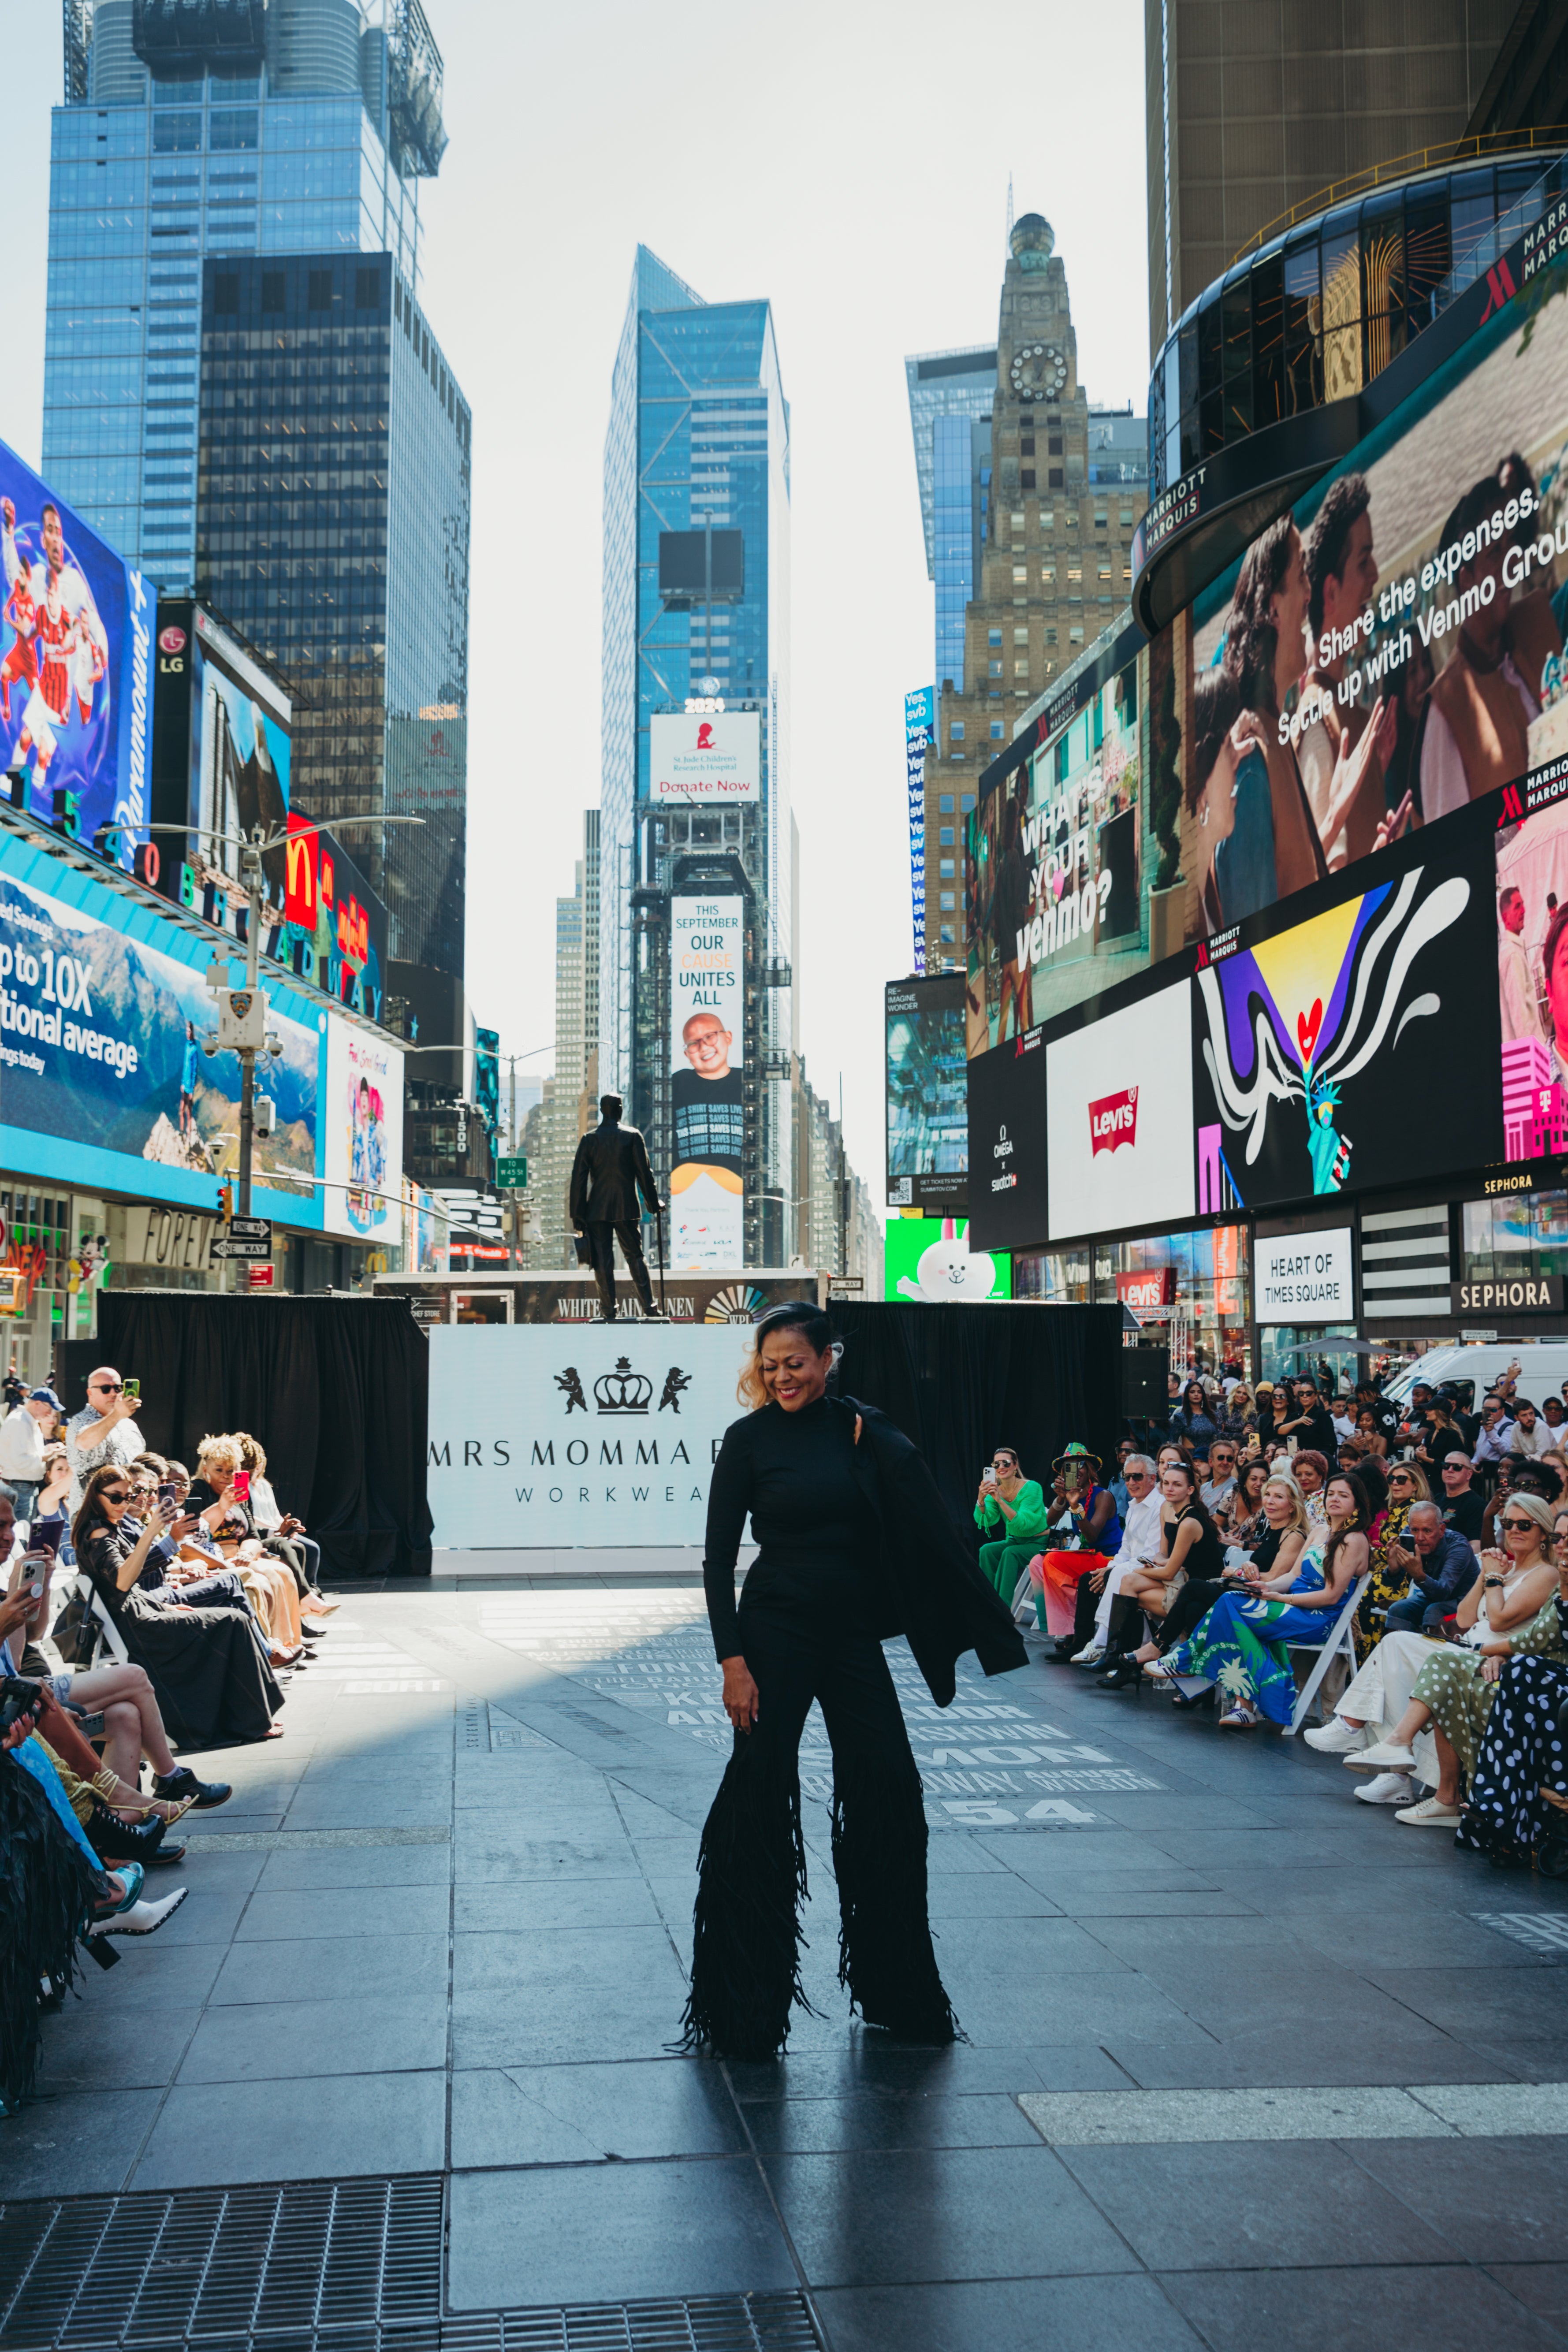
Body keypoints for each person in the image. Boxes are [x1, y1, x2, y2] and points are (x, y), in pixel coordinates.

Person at [680, 1300, 1026, 2058]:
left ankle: (897, 1990)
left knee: (888, 1786)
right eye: (768, 1366)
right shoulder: (747, 1441)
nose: (780, 1378)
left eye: (794, 1363)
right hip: (772, 1633)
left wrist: (878, 1435)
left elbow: (915, 1500)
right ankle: (742, 2009)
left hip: (850, 1637)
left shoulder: (861, 1430)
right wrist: (731, 1662)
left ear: (827, 1358)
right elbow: (715, 1561)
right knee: (759, 1791)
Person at [1348, 1490, 1567, 1824]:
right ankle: (1389, 1758)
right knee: (1395, 1649)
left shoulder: (1546, 1575)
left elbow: (1499, 1621)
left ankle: (1398, 1750)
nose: (1515, 1530)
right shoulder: (1502, 1568)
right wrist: (1486, 1573)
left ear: (1542, 1533)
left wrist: (1493, 1578)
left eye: (1525, 1524)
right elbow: (1465, 1619)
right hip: (1470, 1650)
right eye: (1508, 1523)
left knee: (1436, 1667)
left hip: (1492, 1660)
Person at [72, 1466, 284, 1753]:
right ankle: (250, 1721)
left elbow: (128, 1585)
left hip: (145, 1611)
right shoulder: (98, 1532)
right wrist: (153, 1532)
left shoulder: (107, 1527)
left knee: (233, 1619)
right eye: (116, 1497)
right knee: (232, 1620)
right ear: (95, 1496)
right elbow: (123, 1581)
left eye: (128, 1496)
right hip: (140, 1626)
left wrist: (165, 1605)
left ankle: (252, 1718)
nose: (123, 1503)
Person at [1160, 1469, 1369, 1727]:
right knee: (1233, 1603)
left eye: (1343, 1495)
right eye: (1332, 1494)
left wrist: (1282, 1599)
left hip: (1317, 1619)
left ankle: (1193, 1664)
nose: (1334, 1499)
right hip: (1291, 1607)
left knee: (1229, 1605)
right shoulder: (1320, 1531)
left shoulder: (1355, 1540)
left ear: (1357, 1503)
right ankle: (1243, 1704)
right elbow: (1294, 1575)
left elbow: (1331, 1596)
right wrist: (1265, 1585)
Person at [1421, 476, 1563, 818]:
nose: (1509, 563)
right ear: (1465, 577)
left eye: (1510, 544)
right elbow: (1452, 848)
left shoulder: (1540, 622)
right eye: (1493, 552)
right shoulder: (1447, 709)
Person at [1300, 474, 1410, 866]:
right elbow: (1326, 871)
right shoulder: (1314, 720)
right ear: (1330, 592)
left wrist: (1375, 775)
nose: (1376, 574)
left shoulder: (1344, 712)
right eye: (1363, 562)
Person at [1456, 1506, 1568, 1866]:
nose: (1563, 1546)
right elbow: (1465, 1618)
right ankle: (1498, 1809)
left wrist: (1481, 1650)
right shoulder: (1560, 1581)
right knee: (1521, 1670)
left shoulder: (1550, 1575)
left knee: (1521, 1671)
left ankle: (1499, 1808)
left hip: (1551, 1674)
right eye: (1559, 1538)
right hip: (1545, 1673)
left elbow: (1546, 1634)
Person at [1131, 1472, 1311, 1689]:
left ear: (1292, 1506)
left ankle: (1159, 1645)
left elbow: (1274, 1578)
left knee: (1195, 1586)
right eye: (1268, 1495)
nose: (1270, 1501)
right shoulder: (1270, 1530)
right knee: (1195, 1608)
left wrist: (1237, 1572)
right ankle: (1199, 1687)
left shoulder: (1294, 1536)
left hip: (1264, 1603)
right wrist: (1243, 1570)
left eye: (1279, 1497)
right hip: (1244, 1594)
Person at [1094, 1458, 1225, 1688]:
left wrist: (1151, 1568)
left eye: (1177, 1485)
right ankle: (1120, 1656)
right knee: (1129, 1581)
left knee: (1128, 1583)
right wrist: (1157, 1565)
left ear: (1190, 1490)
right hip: (1179, 1578)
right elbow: (1162, 1555)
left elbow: (1167, 1570)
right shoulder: (1167, 1509)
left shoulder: (1190, 1522)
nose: (1170, 1489)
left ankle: (1125, 1658)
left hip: (1196, 1587)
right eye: (1166, 1483)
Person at [569, 1093, 661, 1322]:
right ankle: (649, 1308)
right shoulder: (632, 1137)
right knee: (635, 1257)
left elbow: (578, 1180)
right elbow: (644, 1175)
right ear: (619, 1109)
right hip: (626, 1207)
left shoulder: (589, 1140)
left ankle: (609, 1311)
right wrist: (653, 1203)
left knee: (602, 1261)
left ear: (602, 1110)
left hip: (596, 1210)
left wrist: (578, 1214)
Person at [1069, 1454, 1162, 1667]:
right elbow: (1126, 1549)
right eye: (1126, 1477)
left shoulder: (1159, 1507)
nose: (1131, 1482)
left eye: (1137, 1477)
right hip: (1127, 1566)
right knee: (1091, 1579)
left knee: (1114, 1575)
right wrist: (1109, 1568)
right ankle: (1082, 1641)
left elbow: (1149, 1555)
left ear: (1152, 1479)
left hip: (1152, 1570)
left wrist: (1112, 1570)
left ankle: (1102, 1643)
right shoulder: (1134, 1506)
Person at [1031, 1444, 1121, 1654]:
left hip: (1109, 1558)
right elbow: (1049, 1522)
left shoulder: (1103, 1496)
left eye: (1079, 1465)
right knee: (1037, 1563)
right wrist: (1062, 1498)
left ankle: (1073, 1629)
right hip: (1087, 1556)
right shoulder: (1072, 1495)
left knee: (1052, 1561)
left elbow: (1092, 1536)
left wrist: (1075, 1507)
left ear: (1089, 1469)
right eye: (1068, 1467)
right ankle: (1066, 1626)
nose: (1074, 1470)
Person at [973, 1447, 1050, 1608]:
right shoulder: (996, 1490)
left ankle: (1003, 1608)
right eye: (996, 1464)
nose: (1001, 1467)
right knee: (986, 1550)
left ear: (1015, 1466)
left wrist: (1001, 1501)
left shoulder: (1032, 1487)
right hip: (1015, 1541)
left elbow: (1024, 1523)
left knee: (1010, 1553)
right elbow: (987, 1521)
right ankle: (988, 1602)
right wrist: (981, 1500)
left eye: (1006, 1463)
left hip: (1038, 1543)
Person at [64, 1367, 145, 1514]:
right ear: (90, 1393)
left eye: (118, 1388)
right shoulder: (81, 1421)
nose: (113, 1393)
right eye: (106, 1389)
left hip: (127, 1511)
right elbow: (84, 1443)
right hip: (93, 1514)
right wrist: (116, 1415)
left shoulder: (129, 1424)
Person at [0, 1384, 58, 1518]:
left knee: (24, 1532)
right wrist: (45, 1457)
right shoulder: (20, 1422)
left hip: (23, 1485)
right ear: (37, 1404)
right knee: (21, 1534)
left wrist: (48, 1450)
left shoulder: (25, 1420)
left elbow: (26, 1453)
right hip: (20, 1486)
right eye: (49, 1409)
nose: (49, 1414)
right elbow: (20, 1460)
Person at [1498, 885, 1542, 1043]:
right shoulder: (1512, 954)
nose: (1524, 911)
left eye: (1523, 905)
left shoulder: (1513, 950)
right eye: (1518, 907)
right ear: (1505, 917)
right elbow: (1520, 1017)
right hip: (1530, 1054)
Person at [1435, 1452, 1484, 1543]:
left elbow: (1476, 1545)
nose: (1450, 1470)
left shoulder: (1477, 1505)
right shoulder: (1436, 1499)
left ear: (1469, 1474)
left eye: (1457, 1467)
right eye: (1446, 1466)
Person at [1169, 1379, 1218, 1449]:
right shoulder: (1181, 1417)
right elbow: (1173, 1442)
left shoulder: (1212, 1415)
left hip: (1210, 1456)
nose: (1196, 1395)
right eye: (1192, 1392)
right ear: (1187, 1395)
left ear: (1203, 1395)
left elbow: (1218, 1439)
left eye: (1199, 1392)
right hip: (1190, 1457)